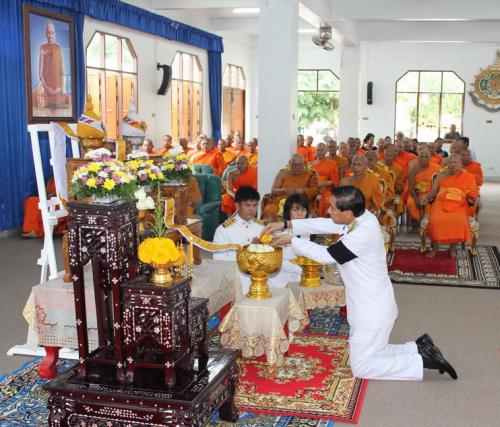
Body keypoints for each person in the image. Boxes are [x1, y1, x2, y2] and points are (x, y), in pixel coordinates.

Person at [264, 186, 458, 381]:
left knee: (362, 368)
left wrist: (291, 240)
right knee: (373, 353)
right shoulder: (362, 217)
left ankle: (421, 361)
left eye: (332, 208)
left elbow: (326, 255)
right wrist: (286, 224)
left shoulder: (362, 234)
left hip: (372, 309)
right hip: (368, 305)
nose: (328, 211)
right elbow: (328, 224)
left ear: (348, 212)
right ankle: (418, 347)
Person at [423, 154, 480, 259]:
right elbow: (432, 193)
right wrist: (425, 197)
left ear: (461, 164)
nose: (452, 165)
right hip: (440, 203)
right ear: (447, 164)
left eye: (455, 162)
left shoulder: (468, 177)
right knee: (435, 221)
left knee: (460, 221)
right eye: (450, 162)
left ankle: (452, 249)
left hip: (459, 204)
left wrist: (477, 199)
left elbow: (474, 192)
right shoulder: (440, 176)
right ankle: (435, 248)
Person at [262, 154, 319, 221]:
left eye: (299, 165)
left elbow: (315, 191)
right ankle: (272, 230)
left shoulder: (309, 174)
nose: (296, 167)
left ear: (304, 164)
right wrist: (284, 190)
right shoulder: (283, 173)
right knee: (269, 210)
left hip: (301, 201)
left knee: (313, 217)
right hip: (282, 200)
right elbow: (273, 190)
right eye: (294, 164)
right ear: (289, 163)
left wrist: (300, 190)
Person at [33, 22, 69, 109]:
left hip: (57, 87)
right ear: (45, 34)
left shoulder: (58, 48)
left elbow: (62, 73)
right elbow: (40, 75)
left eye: (52, 32)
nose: (50, 35)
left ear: (55, 34)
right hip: (46, 85)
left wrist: (59, 88)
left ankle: (50, 101)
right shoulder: (42, 48)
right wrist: (47, 87)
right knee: (35, 97)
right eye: (48, 32)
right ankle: (47, 100)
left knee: (66, 99)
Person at [406, 146, 441, 221]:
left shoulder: (437, 168)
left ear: (430, 158)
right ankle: (417, 222)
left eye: (426, 157)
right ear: (418, 158)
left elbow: (438, 186)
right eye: (421, 157)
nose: (424, 159)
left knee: (432, 205)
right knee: (411, 203)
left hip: (431, 194)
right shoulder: (413, 170)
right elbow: (411, 188)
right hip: (416, 194)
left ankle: (428, 223)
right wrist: (416, 199)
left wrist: (428, 196)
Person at [311, 142, 340, 217]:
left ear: (326, 151)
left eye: (322, 150)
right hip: (311, 190)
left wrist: (323, 183)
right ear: (315, 151)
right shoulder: (310, 164)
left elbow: (335, 182)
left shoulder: (332, 164)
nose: (320, 152)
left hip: (326, 190)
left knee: (327, 202)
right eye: (318, 150)